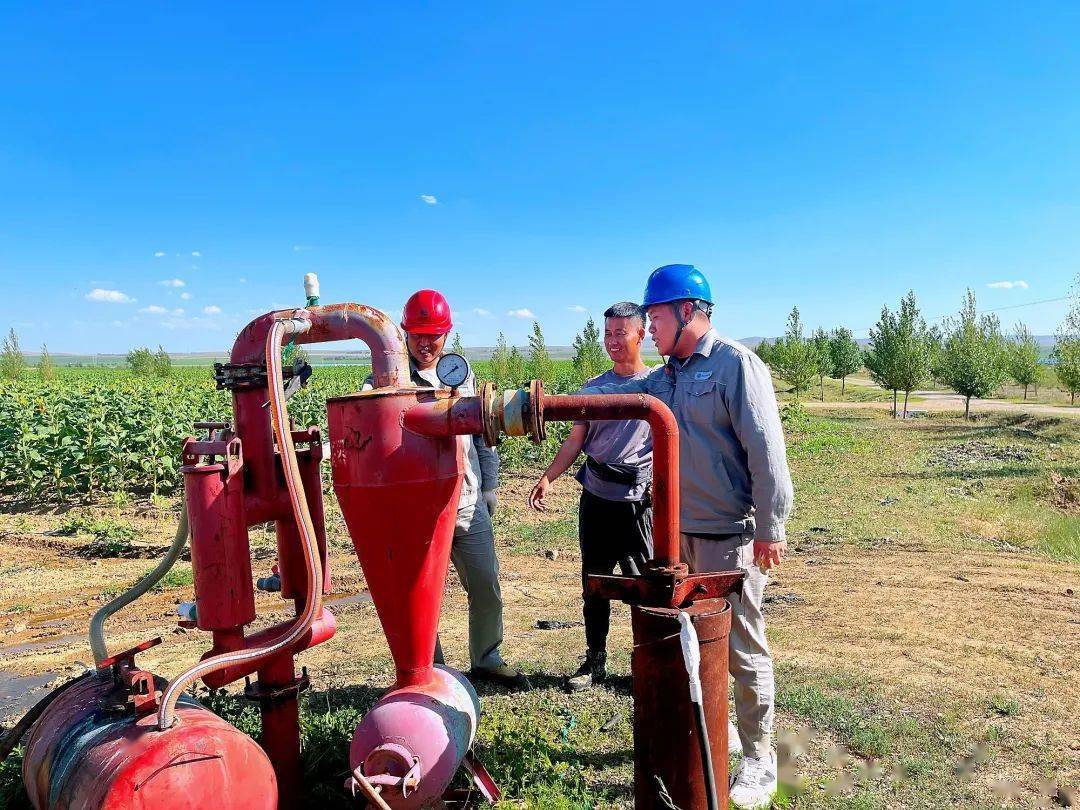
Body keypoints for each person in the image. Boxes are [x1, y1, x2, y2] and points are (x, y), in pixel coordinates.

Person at [581, 265, 793, 809]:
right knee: (689, 645)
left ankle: (758, 759)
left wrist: (771, 527)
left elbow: (767, 454)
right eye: (647, 320)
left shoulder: (735, 366)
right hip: (676, 541)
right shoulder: (666, 378)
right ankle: (705, 736)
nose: (649, 329)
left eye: (655, 317)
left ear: (687, 312)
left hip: (728, 536)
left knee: (741, 645)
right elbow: (620, 397)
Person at [363, 289, 530, 691]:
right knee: (421, 594)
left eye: (433, 335)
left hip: (467, 502)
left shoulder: (462, 374)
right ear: (403, 332)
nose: (425, 343)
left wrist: (489, 485)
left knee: (485, 583)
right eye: (417, 334)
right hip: (416, 510)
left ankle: (487, 660)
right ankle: (429, 669)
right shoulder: (384, 379)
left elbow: (484, 434)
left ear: (447, 333)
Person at [528, 302, 654, 691]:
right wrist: (549, 477)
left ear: (641, 335)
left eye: (621, 333)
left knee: (644, 586)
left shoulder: (659, 386)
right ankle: (594, 661)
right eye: (608, 333)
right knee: (594, 582)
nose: (612, 341)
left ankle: (648, 662)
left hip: (639, 503)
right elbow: (575, 441)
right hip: (597, 500)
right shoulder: (593, 390)